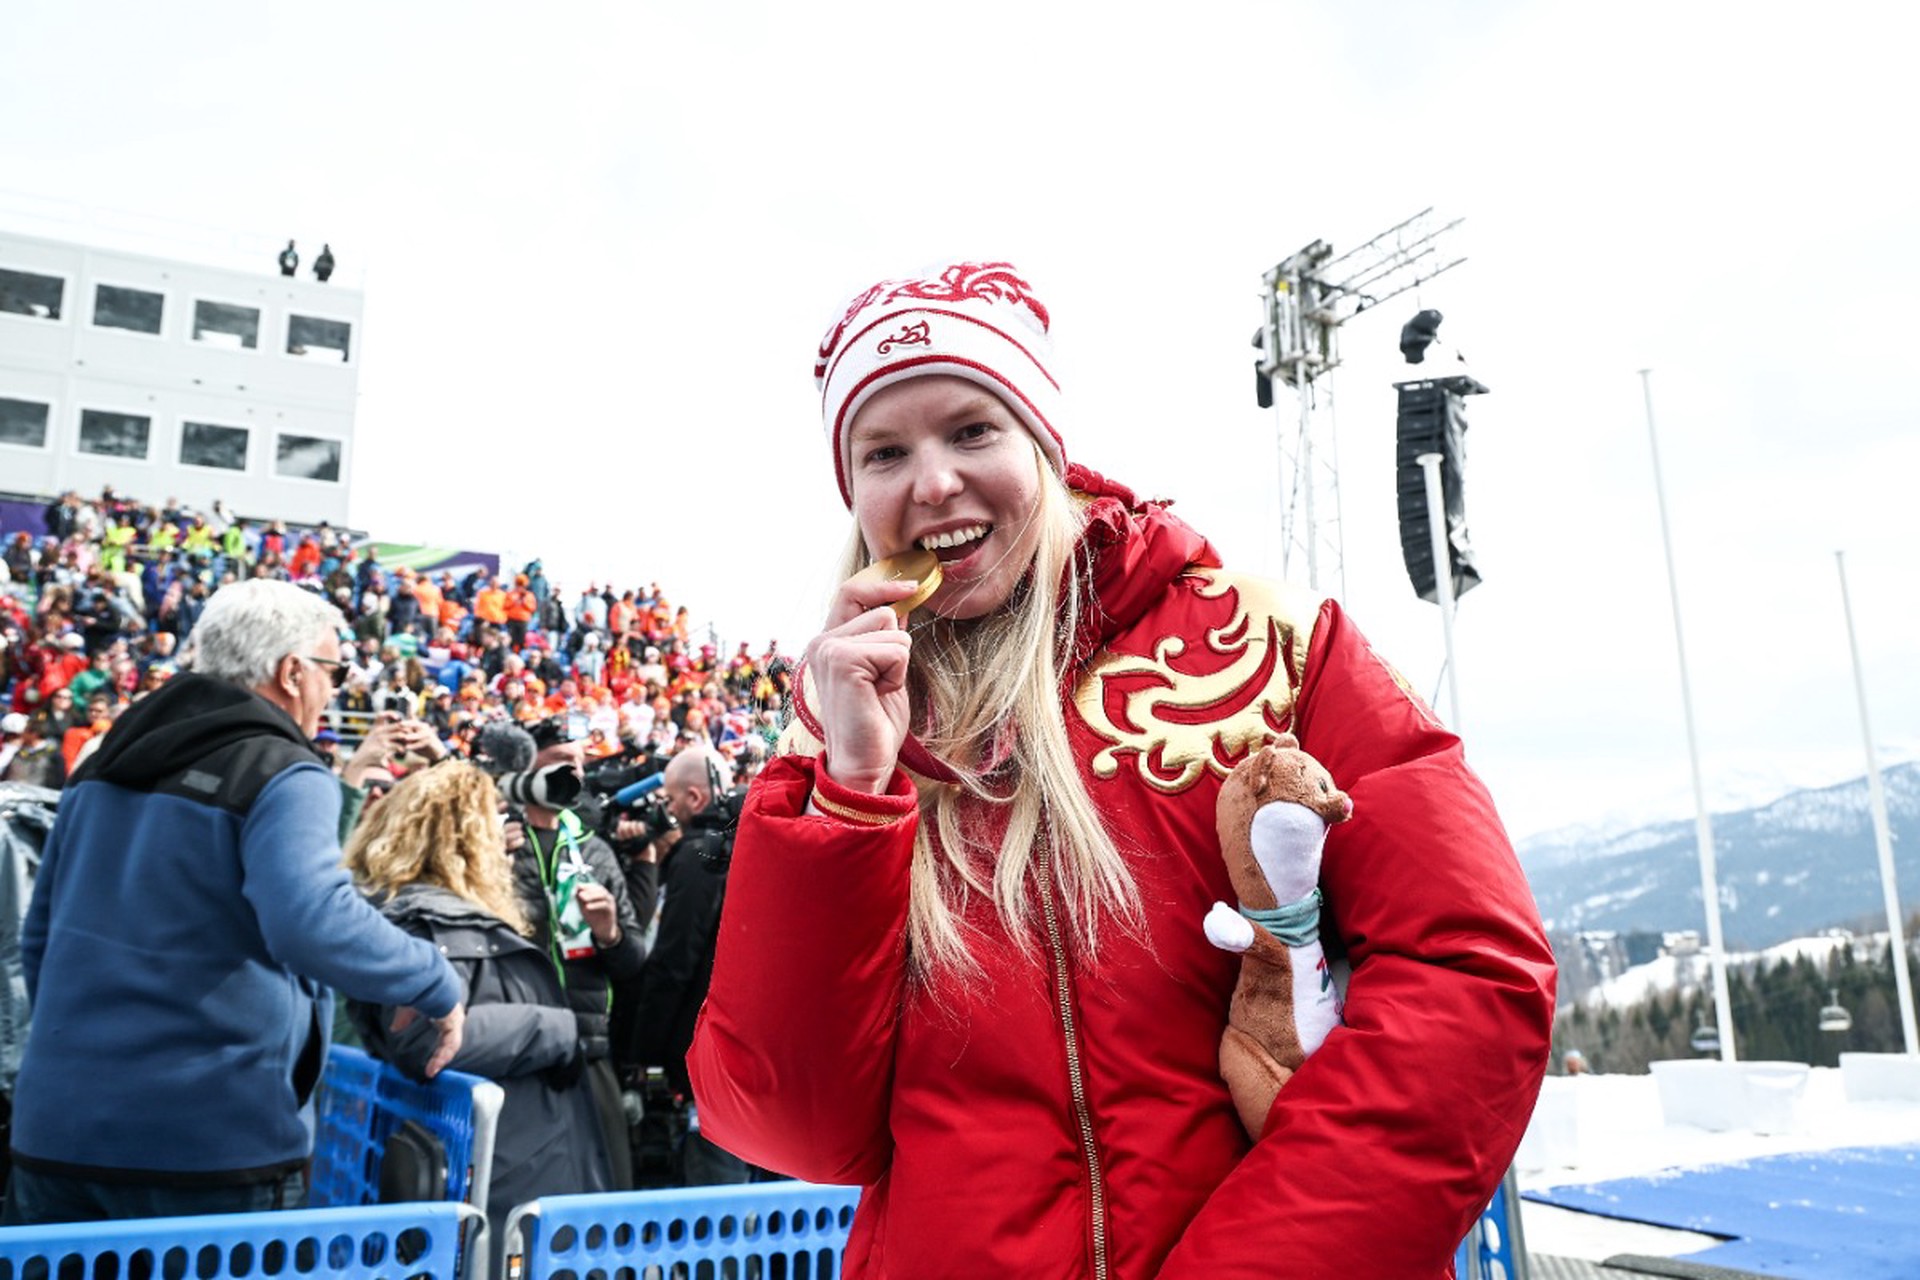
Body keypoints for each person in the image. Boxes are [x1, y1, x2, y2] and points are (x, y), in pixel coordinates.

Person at [686, 261, 1556, 1278]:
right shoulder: (835, 745)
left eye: (971, 430)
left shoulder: (1275, 645)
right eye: (885, 451)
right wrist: (848, 799)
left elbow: (1469, 977)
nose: (930, 481)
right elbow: (796, 1130)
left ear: (1046, 447)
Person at [6, 579, 465, 1225]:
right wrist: (434, 980)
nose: (334, 690)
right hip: (206, 1146)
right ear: (292, 672)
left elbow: (39, 939)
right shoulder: (283, 770)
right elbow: (312, 919)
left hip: (55, 1134)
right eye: (333, 670)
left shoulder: (103, 763)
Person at [345, 762, 611, 1252]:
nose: (507, 840)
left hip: (509, 1169)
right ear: (465, 841)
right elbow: (426, 1039)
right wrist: (555, 1028)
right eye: (494, 825)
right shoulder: (426, 922)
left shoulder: (425, 916)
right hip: (492, 1185)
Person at [505, 719, 651, 1189]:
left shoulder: (597, 851)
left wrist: (609, 932)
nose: (575, 774)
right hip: (514, 1048)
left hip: (588, 1046)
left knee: (606, 1187)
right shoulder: (490, 840)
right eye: (562, 763)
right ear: (525, 769)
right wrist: (486, 860)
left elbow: (632, 965)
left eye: (580, 765)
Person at [627, 747, 742, 1185]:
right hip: (744, 1059)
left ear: (695, 799)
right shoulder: (750, 842)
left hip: (703, 1065)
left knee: (715, 1196)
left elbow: (673, 964)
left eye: (672, 802)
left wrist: (646, 1055)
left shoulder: (700, 857)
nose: (666, 814)